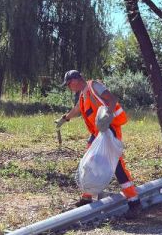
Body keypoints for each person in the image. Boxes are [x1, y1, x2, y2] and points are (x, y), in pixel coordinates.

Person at [55, 70, 142, 217]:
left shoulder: (93, 86)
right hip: (97, 134)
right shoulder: (83, 94)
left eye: (69, 83)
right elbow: (77, 109)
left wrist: (108, 113)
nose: (69, 86)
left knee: (117, 166)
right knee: (89, 162)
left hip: (109, 131)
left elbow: (112, 98)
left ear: (76, 80)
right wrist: (64, 119)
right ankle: (86, 197)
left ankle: (134, 202)